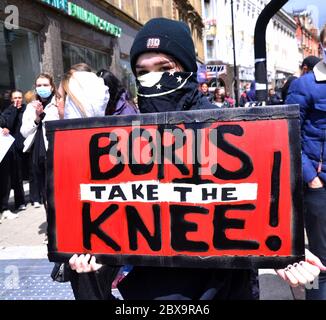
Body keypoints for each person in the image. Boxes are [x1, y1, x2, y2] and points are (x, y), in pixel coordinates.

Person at [68, 18, 325, 300]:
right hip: (151, 289)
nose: (153, 79)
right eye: (142, 71)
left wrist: (284, 250)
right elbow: (118, 208)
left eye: (165, 69)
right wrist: (92, 254)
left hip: (222, 286)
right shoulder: (126, 136)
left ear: (187, 70)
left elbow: (258, 201)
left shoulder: (230, 130)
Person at [285, 25, 326, 300]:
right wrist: (312, 177)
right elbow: (288, 135)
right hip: (318, 184)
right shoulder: (305, 84)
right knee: (319, 258)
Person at [21, 73, 60, 209]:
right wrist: (36, 119)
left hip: (56, 152)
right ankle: (51, 222)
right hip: (38, 155)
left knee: (57, 190)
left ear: (52, 87)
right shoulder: (31, 107)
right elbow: (24, 132)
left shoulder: (58, 103)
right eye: (39, 85)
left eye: (45, 85)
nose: (42, 87)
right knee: (45, 192)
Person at [0, 90, 27, 221]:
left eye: (19, 97)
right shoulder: (8, 111)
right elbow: (7, 123)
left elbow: (4, 124)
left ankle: (7, 207)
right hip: (10, 148)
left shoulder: (26, 109)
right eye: (15, 98)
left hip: (12, 148)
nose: (17, 100)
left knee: (10, 178)